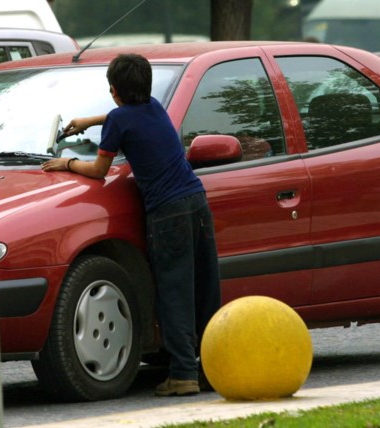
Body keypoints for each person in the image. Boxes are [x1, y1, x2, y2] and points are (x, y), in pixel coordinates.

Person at [41, 53, 221, 397]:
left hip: (167, 211)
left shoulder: (119, 122)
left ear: (113, 90)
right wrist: (90, 121)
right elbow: (122, 117)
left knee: (174, 291)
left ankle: (183, 374)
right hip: (197, 202)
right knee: (203, 286)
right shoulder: (153, 107)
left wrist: (68, 161)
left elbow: (99, 171)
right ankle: (212, 367)